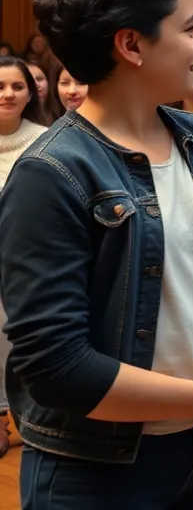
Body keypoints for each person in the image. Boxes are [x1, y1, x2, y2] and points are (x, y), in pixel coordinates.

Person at [0, 0, 193, 508]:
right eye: (189, 27)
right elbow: (58, 367)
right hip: (96, 469)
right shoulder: (51, 173)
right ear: (131, 44)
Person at [0, 57, 47, 456]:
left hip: (34, 260)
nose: (7, 94)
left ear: (30, 92)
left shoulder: (47, 139)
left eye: (17, 86)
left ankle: (35, 418)